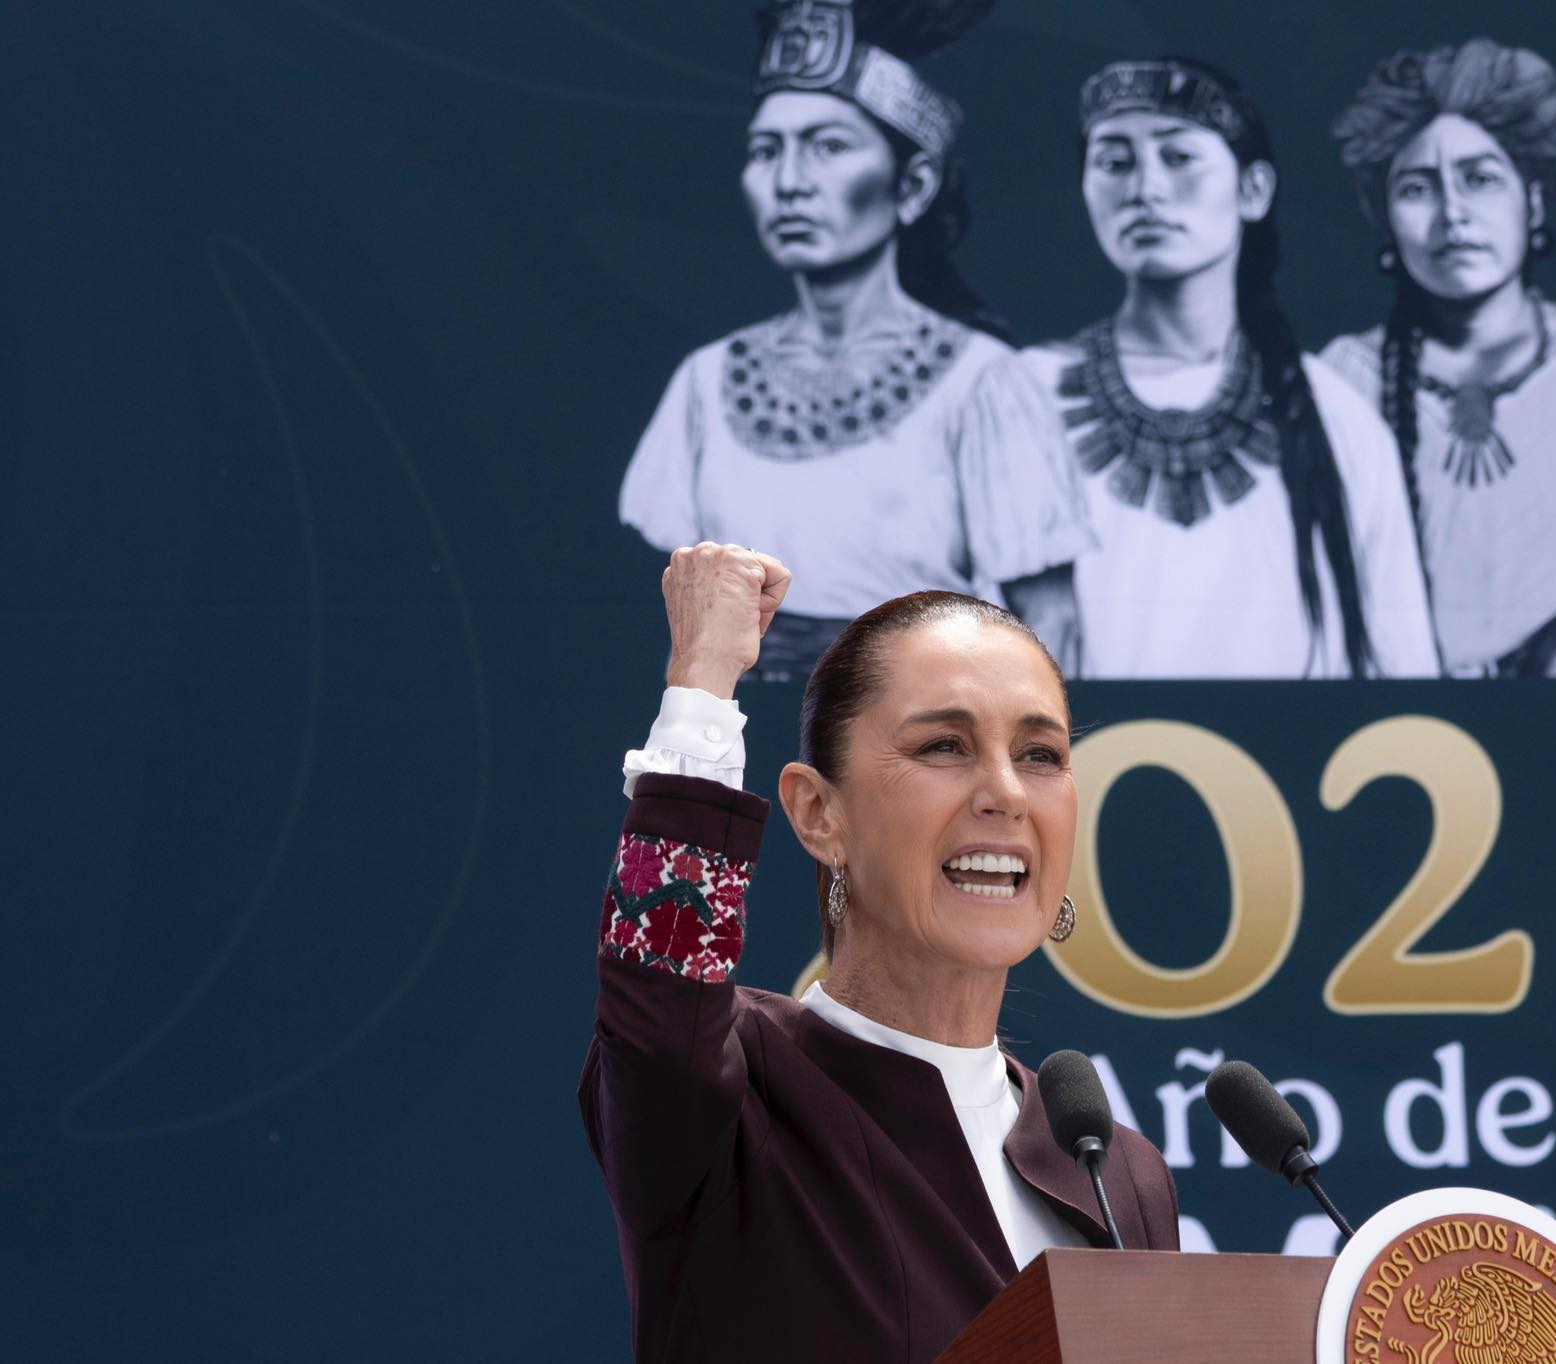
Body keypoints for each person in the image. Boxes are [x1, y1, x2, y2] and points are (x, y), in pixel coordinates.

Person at [579, 543, 1179, 1360]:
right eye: (944, 746)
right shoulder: (738, 1090)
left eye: (1040, 754)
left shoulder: (1117, 1173)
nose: (1006, 793)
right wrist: (703, 680)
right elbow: (659, 1000)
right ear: (818, 814)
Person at [618, 0, 1092, 679]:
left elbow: (1054, 630)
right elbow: (682, 638)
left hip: (925, 731)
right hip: (743, 734)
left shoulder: (984, 383)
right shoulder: (705, 381)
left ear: (914, 184)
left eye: (829, 147)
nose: (789, 183)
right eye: (766, 150)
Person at [1019, 58, 1438, 679]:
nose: (1146, 189)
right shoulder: (1022, 399)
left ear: (1253, 190)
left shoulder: (1339, 419)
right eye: (1115, 162)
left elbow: (1405, 681)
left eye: (1178, 157)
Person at [1322, 38, 1556, 677]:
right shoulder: (1342, 381)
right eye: (1418, 188)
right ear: (1386, 222)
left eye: (1480, 179)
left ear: (1533, 201)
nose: (1453, 214)